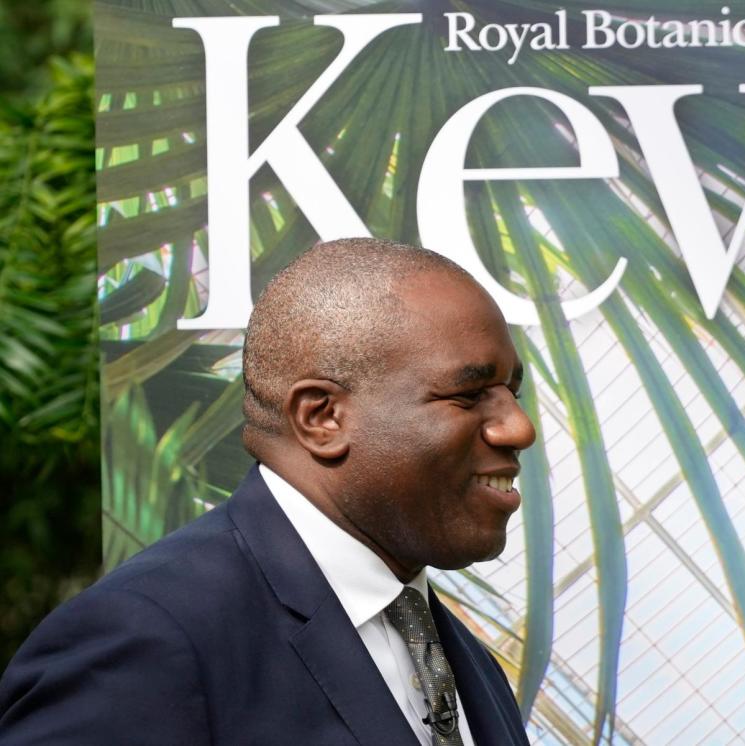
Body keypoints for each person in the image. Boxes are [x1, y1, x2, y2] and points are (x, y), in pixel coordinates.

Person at [0, 238, 536, 745]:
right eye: (469, 395)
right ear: (322, 417)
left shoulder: (463, 659)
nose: (519, 428)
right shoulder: (146, 639)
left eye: (510, 393)